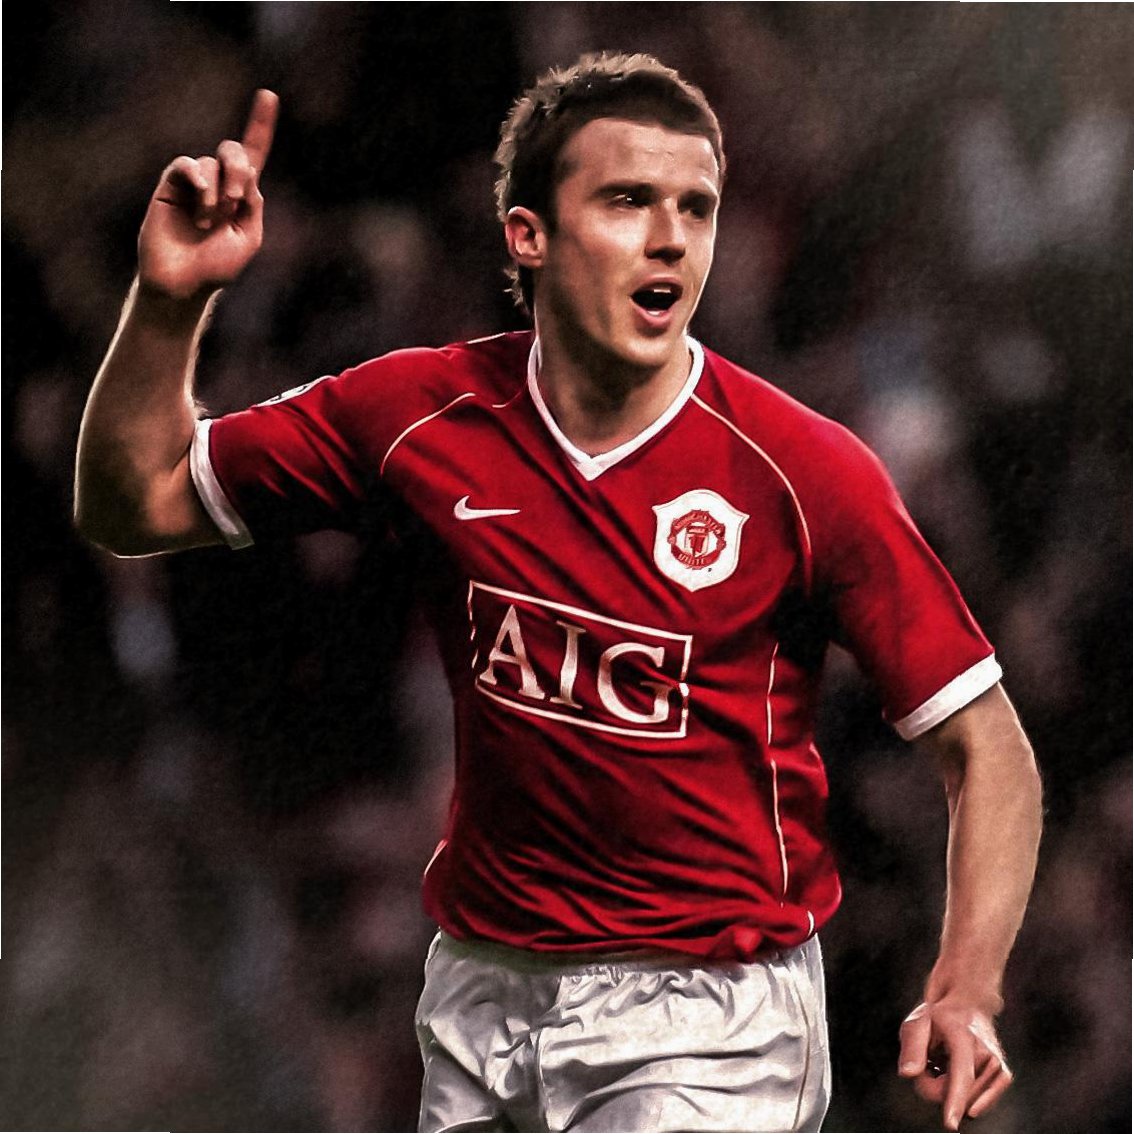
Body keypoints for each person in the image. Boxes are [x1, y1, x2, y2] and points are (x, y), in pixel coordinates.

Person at [75, 52, 1042, 1134]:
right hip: (485, 994)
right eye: (628, 201)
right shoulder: (420, 415)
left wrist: (967, 983)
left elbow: (988, 746)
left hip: (708, 1020)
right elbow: (136, 501)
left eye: (696, 208)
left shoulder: (804, 474)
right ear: (527, 235)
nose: (670, 237)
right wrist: (170, 302)